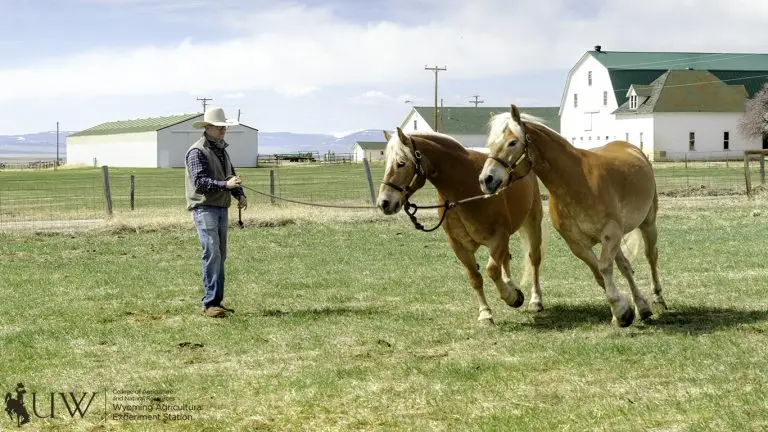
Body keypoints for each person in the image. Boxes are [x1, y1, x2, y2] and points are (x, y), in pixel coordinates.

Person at [184, 106, 247, 318]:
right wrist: (226, 186)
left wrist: (239, 194)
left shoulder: (221, 150)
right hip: (204, 208)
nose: (223, 131)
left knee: (220, 255)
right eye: (220, 127)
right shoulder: (197, 151)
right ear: (208, 127)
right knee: (212, 253)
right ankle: (210, 303)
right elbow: (200, 182)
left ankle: (216, 302)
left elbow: (231, 176)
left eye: (224, 127)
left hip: (220, 207)